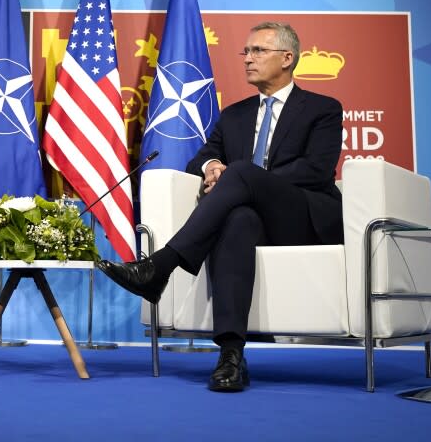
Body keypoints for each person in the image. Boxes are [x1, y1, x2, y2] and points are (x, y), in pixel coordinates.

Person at [98, 22, 343, 392]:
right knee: (238, 219)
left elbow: (316, 170)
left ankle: (160, 266)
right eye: (246, 51)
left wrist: (245, 177)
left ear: (287, 58)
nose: (248, 59)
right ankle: (231, 355)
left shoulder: (322, 109)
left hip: (303, 216)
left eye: (258, 51)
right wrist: (214, 169)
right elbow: (201, 159)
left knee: (243, 173)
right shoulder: (234, 115)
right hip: (254, 219)